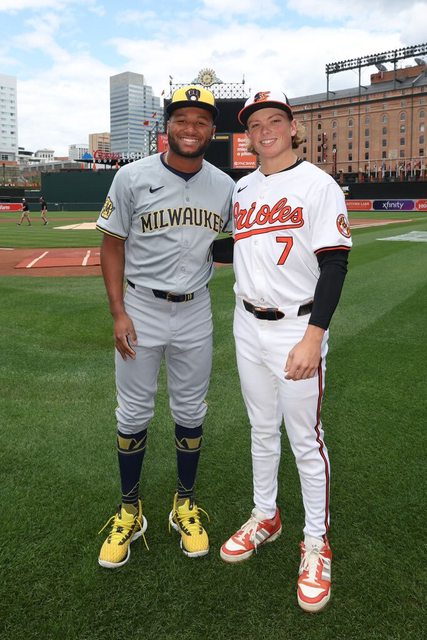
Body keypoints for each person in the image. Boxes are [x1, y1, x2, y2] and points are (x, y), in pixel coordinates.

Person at [220, 89, 352, 613]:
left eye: (275, 120)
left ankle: (316, 542)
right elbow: (238, 250)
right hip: (246, 323)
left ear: (293, 127)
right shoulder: (243, 188)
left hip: (297, 327)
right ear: (248, 135)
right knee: (260, 428)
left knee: (304, 438)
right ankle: (266, 515)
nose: (265, 130)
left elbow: (334, 264)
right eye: (255, 125)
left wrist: (314, 336)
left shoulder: (319, 185)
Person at [96, 85, 234, 568]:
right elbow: (112, 243)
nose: (191, 128)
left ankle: (184, 504)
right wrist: (118, 312)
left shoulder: (226, 186)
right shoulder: (131, 177)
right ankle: (129, 510)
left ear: (212, 131)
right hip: (141, 307)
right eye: (182, 120)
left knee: (191, 408)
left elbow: (239, 242)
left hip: (195, 310)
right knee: (133, 412)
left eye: (201, 121)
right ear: (167, 126)